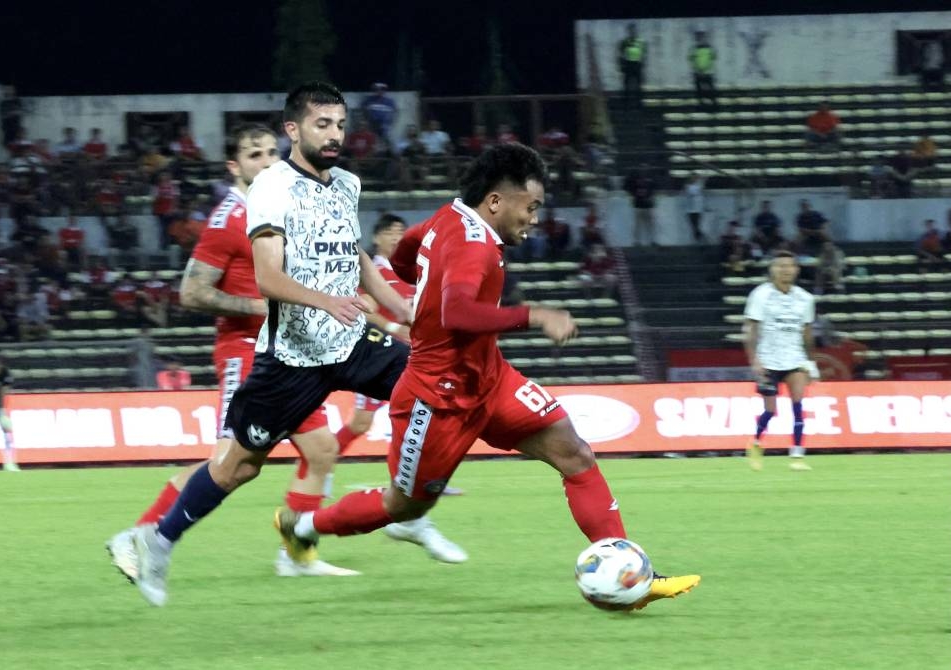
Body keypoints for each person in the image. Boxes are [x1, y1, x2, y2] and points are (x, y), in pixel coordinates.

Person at [273, 142, 700, 611]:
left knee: (574, 453)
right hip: (436, 399)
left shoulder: (447, 217)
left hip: (490, 381)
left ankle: (631, 576)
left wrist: (427, 290)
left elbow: (403, 258)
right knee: (404, 506)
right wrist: (534, 314)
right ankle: (303, 526)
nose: (534, 218)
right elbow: (456, 312)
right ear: (495, 201)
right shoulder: (475, 248)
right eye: (531, 206)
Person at [124, 82, 462, 607]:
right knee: (239, 465)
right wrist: (324, 301)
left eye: (340, 125)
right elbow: (267, 278)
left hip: (350, 340)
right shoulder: (271, 189)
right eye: (322, 125)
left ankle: (405, 508)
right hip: (293, 357)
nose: (333, 135)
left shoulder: (346, 184)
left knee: (437, 384)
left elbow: (356, 261)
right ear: (293, 130)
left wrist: (405, 312)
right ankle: (159, 540)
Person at [332, 213, 467, 504]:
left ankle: (428, 480)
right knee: (361, 424)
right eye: (391, 232)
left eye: (401, 232)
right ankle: (321, 463)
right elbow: (364, 308)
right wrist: (394, 327)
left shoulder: (411, 270)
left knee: (426, 415)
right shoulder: (373, 270)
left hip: (411, 359)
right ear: (377, 237)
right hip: (379, 356)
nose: (397, 237)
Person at [743, 250, 818, 472]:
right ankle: (756, 443)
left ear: (796, 270)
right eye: (780, 266)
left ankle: (797, 455)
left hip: (794, 358)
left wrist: (811, 361)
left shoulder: (805, 299)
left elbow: (807, 332)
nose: (785, 270)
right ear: (772, 270)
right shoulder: (760, 295)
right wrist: (754, 359)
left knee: (798, 405)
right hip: (768, 359)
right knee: (770, 410)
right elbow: (750, 328)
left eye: (789, 266)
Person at [617, 24, 646, 106]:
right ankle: (625, 103)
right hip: (628, 64)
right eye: (630, 30)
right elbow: (620, 54)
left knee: (639, 84)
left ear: (635, 31)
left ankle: (639, 103)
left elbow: (643, 53)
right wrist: (621, 66)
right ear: (628, 31)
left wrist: (642, 64)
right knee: (626, 84)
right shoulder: (625, 42)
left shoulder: (640, 41)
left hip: (637, 64)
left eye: (633, 30)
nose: (632, 32)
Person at [689, 31, 717, 107]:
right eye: (699, 38)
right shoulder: (693, 49)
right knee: (699, 90)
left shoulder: (709, 48)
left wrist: (704, 68)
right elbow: (691, 59)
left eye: (702, 37)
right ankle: (701, 104)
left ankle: (713, 104)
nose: (701, 39)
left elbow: (713, 58)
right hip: (698, 72)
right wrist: (697, 68)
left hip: (708, 72)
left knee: (711, 89)